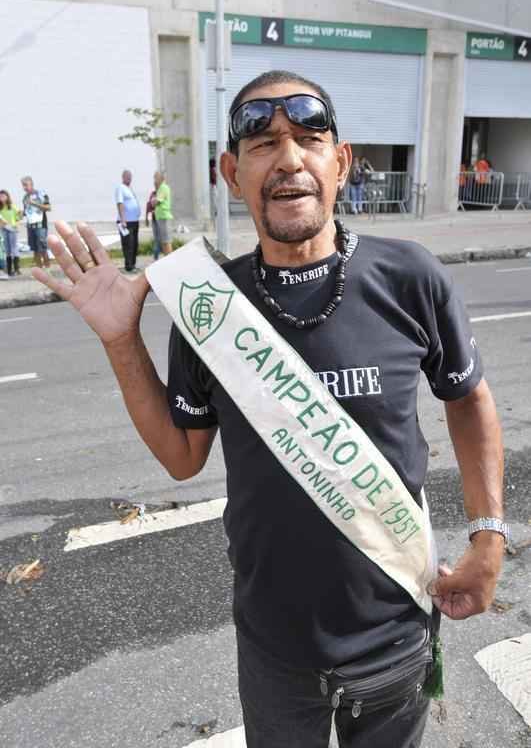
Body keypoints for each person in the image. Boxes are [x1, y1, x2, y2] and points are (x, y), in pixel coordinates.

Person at [34, 70, 505, 748]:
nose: (288, 159)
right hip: (274, 653)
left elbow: (468, 400)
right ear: (232, 171)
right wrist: (119, 341)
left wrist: (488, 537)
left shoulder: (411, 276)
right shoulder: (206, 308)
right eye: (263, 146)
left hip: (398, 633)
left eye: (309, 139)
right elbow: (179, 456)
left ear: (339, 163)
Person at [21, 176, 51, 269]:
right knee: (34, 249)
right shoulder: (25, 197)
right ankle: (40, 270)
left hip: (41, 225)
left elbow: (48, 208)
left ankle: (48, 269)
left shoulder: (41, 194)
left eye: (26, 185)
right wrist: (21, 214)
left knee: (42, 248)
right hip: (30, 226)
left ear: (31, 184)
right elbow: (27, 212)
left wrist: (34, 203)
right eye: (23, 185)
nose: (25, 187)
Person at [115, 169, 141, 273]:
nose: (129, 179)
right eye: (127, 177)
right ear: (123, 177)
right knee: (128, 244)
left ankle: (133, 264)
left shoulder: (129, 189)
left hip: (134, 221)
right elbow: (120, 203)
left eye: (130, 177)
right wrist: (123, 219)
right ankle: (129, 266)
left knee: (135, 244)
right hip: (126, 222)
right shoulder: (120, 188)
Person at [0, 190, 22, 277]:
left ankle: (16, 268)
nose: (1, 198)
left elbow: (19, 215)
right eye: (0, 196)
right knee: (7, 249)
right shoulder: (0, 208)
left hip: (12, 229)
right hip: (4, 229)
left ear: (7, 197)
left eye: (3, 196)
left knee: (14, 248)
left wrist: (17, 224)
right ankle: (9, 270)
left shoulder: (12, 207)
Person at [152, 171, 173, 256]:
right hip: (160, 216)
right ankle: (166, 258)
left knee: (166, 241)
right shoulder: (160, 188)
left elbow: (156, 202)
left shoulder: (163, 187)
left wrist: (153, 201)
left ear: (161, 178)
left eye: (156, 178)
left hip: (164, 216)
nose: (154, 180)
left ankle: (169, 259)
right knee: (163, 241)